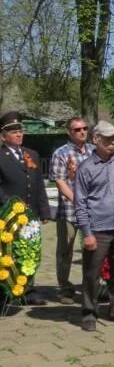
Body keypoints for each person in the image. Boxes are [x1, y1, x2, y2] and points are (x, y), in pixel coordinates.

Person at [74, 121, 114, 331]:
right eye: (107, 139)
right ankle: (89, 313)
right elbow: (80, 204)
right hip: (98, 230)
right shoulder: (86, 168)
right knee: (92, 273)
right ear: (95, 140)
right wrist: (87, 233)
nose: (112, 143)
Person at [0, 111, 50, 305]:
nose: (19, 134)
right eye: (13, 131)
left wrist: (44, 210)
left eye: (20, 130)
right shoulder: (1, 156)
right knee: (8, 253)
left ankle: (29, 289)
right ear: (3, 135)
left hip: (31, 215)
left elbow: (39, 185)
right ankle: (6, 291)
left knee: (30, 251)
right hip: (8, 215)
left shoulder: (32, 154)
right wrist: (11, 204)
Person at [49, 116, 95, 304]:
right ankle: (65, 289)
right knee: (65, 250)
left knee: (91, 250)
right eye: (77, 129)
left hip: (93, 210)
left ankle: (90, 287)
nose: (82, 131)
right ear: (69, 132)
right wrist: (79, 202)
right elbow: (60, 182)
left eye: (84, 128)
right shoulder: (61, 153)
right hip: (69, 210)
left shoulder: (94, 150)